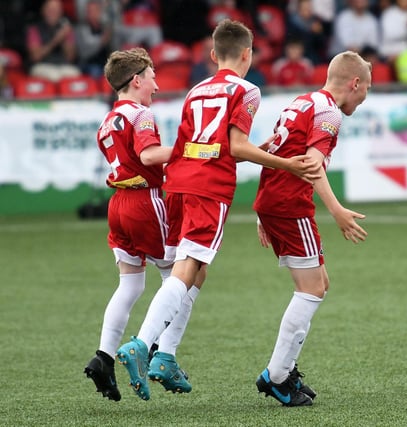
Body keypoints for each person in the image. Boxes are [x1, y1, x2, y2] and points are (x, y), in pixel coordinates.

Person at [115, 19, 321, 401]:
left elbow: (204, 144)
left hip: (177, 182)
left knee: (196, 270)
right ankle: (144, 344)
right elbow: (236, 146)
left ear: (212, 56)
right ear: (248, 54)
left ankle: (166, 356)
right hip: (209, 189)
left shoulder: (196, 89)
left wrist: (258, 148)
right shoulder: (247, 90)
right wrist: (288, 164)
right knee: (187, 269)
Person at [254, 50, 371, 407]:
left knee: (318, 284)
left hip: (275, 202)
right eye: (366, 88)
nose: (365, 96)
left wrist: (262, 210)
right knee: (312, 289)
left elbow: (275, 150)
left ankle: (281, 369)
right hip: (291, 204)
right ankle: (276, 376)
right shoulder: (329, 111)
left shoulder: (303, 101)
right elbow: (310, 163)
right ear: (354, 83)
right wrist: (336, 210)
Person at [84, 47, 193, 401]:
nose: (156, 86)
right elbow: (148, 156)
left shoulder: (108, 119)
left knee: (129, 286)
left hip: (118, 204)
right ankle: (161, 354)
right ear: (136, 80)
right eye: (152, 77)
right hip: (145, 201)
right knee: (180, 277)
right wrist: (190, 149)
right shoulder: (140, 115)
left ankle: (103, 357)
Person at [26, 0, 81, 82]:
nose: (53, 13)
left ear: (61, 12)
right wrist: (56, 39)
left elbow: (70, 57)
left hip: (62, 65)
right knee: (54, 76)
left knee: (75, 73)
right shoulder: (34, 29)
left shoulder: (65, 28)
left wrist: (64, 38)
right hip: (42, 65)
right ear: (43, 11)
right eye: (50, 10)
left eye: (56, 10)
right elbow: (36, 56)